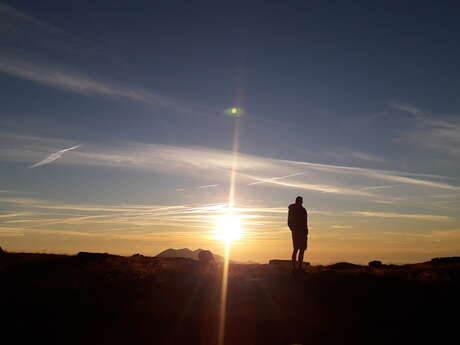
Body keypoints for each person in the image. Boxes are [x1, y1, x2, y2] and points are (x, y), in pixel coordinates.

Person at [288, 196, 308, 272]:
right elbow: (289, 222)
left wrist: (306, 231)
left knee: (302, 249)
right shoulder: (292, 210)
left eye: (301, 201)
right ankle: (294, 267)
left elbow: (305, 222)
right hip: (296, 233)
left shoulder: (303, 210)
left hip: (303, 232)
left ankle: (299, 266)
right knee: (296, 249)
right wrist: (293, 229)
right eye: (299, 201)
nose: (300, 202)